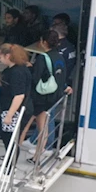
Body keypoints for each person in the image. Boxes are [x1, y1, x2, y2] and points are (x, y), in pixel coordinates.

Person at [19, 30, 69, 162]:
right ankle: (38, 154)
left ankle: (18, 151)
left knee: (28, 124)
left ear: (44, 42)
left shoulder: (42, 57)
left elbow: (36, 78)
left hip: (41, 96)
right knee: (44, 126)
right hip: (54, 95)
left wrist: (30, 68)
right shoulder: (60, 56)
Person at [0, 44, 33, 177]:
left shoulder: (17, 72)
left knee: (10, 139)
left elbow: (19, 95)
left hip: (14, 111)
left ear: (8, 56)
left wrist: (10, 114)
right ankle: (9, 164)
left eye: (1, 57)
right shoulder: (18, 69)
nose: (0, 60)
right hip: (11, 109)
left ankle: (9, 169)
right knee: (9, 139)